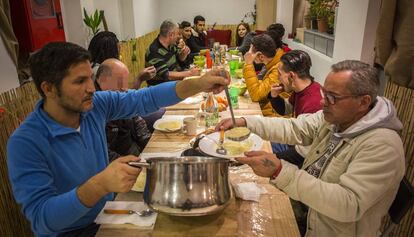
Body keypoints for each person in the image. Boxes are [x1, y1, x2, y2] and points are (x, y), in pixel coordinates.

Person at [7, 42, 229, 237]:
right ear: (49, 89)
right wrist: (100, 184)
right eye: (79, 81)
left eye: (90, 79)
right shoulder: (26, 142)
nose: (91, 88)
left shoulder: (93, 107)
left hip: (108, 214)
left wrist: (199, 83)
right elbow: (42, 219)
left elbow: (145, 97)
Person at [217, 60, 405, 237]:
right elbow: (295, 127)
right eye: (324, 93)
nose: (323, 102)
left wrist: (280, 171)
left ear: (363, 102)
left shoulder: (383, 145)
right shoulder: (338, 119)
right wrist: (244, 122)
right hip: (309, 209)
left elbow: (348, 204)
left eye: (332, 97)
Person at [268, 50, 323, 166]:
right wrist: (274, 96)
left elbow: (303, 154)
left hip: (302, 157)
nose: (278, 78)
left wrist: (272, 158)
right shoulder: (301, 89)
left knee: (263, 150)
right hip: (296, 143)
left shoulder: (314, 103)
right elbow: (286, 109)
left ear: (292, 76)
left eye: (279, 74)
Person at [95, 59, 151, 162]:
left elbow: (138, 123)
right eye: (119, 81)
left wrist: (151, 146)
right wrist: (131, 163)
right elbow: (102, 153)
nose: (124, 88)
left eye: (125, 81)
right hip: (116, 164)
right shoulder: (93, 106)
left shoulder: (120, 94)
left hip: (133, 152)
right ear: (101, 80)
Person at [243, 34, 288, 117]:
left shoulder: (278, 70)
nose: (248, 53)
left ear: (261, 57)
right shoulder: (275, 62)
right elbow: (264, 88)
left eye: (251, 51)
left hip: (275, 116)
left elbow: (256, 95)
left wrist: (248, 64)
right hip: (269, 108)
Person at [88, 31, 156, 85]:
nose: (119, 54)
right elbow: (123, 100)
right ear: (109, 52)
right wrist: (139, 79)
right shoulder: (102, 73)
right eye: (117, 51)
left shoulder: (91, 67)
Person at [145, 20, 199, 86]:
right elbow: (167, 75)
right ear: (171, 35)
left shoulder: (170, 45)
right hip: (161, 88)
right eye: (177, 34)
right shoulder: (154, 51)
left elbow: (180, 58)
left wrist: (184, 53)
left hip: (175, 82)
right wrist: (189, 73)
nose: (179, 37)